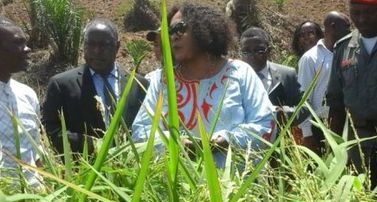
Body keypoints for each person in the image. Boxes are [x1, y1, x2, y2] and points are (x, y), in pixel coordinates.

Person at [132, 3, 276, 167]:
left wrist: (226, 140)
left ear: (204, 27)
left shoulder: (240, 72)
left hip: (235, 187)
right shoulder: (162, 80)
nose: (174, 37)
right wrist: (174, 142)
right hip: (177, 188)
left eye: (180, 28)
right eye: (170, 31)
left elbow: (266, 125)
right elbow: (140, 133)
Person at [42, 18, 149, 154]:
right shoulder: (62, 85)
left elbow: (148, 127)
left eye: (104, 45)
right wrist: (93, 146)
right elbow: (51, 129)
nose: (97, 51)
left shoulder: (138, 84)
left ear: (117, 47)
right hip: (83, 171)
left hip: (132, 169)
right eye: (90, 44)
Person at [326, 0, 377, 183]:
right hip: (357, 142)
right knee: (362, 199)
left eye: (369, 13)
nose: (361, 19)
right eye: (356, 13)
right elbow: (336, 103)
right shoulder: (344, 48)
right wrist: (332, 150)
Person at [297, 11, 350, 153]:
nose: (350, 32)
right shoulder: (310, 58)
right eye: (347, 28)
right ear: (333, 27)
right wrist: (307, 133)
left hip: (344, 121)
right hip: (320, 125)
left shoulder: (347, 53)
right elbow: (304, 98)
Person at [0, 16, 43, 189]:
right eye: (18, 43)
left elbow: (37, 150)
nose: (27, 49)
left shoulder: (27, 94)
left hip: (35, 199)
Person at [240, 27, 301, 108]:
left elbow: (304, 108)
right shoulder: (232, 79)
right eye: (246, 51)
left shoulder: (287, 75)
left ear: (268, 51)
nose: (252, 56)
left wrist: (283, 113)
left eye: (259, 50)